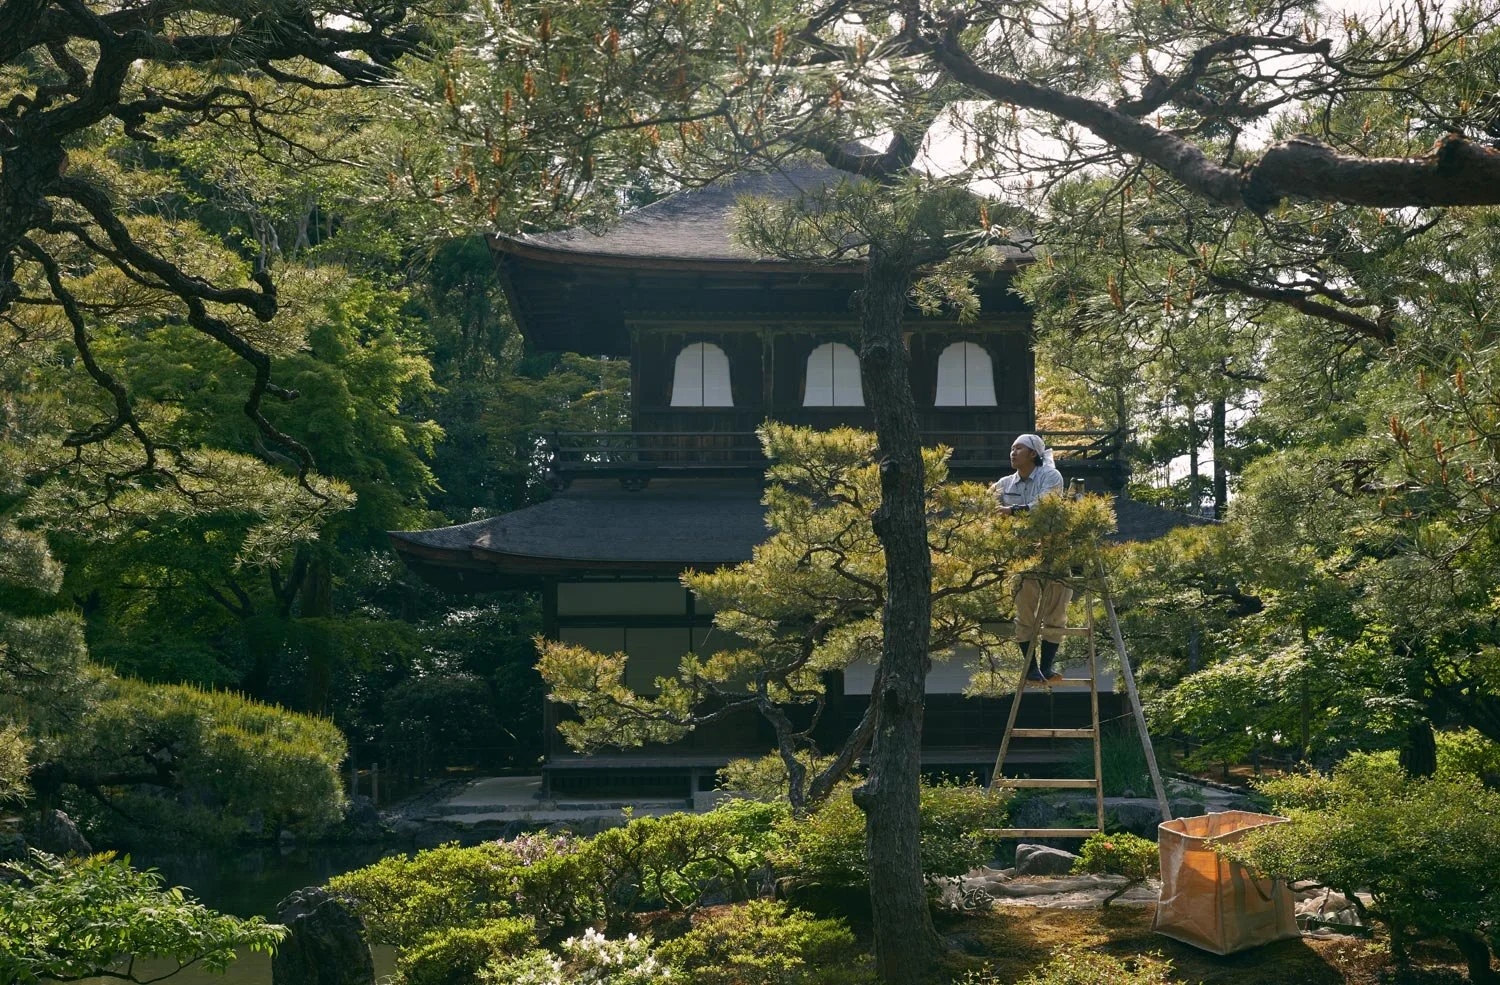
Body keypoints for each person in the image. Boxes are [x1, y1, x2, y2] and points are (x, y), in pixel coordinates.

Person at [989, 434, 1070, 683]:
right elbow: (985, 506)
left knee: (1056, 610)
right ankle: (1030, 668)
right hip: (1021, 554)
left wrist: (1013, 511)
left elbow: (1046, 504)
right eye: (1011, 448)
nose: (1012, 453)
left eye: (1018, 448)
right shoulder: (1004, 483)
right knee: (1025, 611)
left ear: (1033, 454)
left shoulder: (1051, 476)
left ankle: (1047, 666)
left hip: (1053, 549)